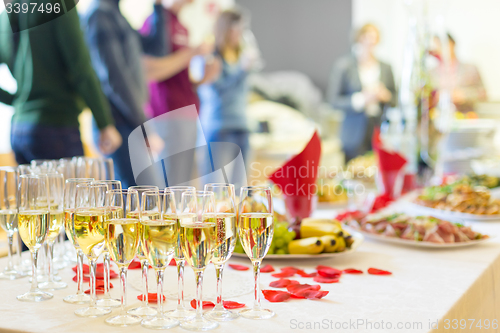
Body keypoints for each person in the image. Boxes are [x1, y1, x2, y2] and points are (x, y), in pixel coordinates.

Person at [0, 0, 122, 164]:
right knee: (71, 190)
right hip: (55, 126)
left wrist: (16, 100)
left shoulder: (7, 14)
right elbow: (81, 69)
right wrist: (105, 123)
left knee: (34, 191)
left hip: (19, 129)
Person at [81, 0, 170, 188]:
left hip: (130, 122)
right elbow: (115, 79)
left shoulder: (116, 15)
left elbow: (158, 50)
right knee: (145, 200)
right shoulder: (100, 15)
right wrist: (145, 126)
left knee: (143, 201)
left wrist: (158, 6)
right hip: (118, 124)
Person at [140, 0, 221, 187]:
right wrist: (191, 53)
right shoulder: (155, 22)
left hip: (189, 111)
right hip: (167, 112)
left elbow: (180, 78)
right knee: (172, 186)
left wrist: (203, 79)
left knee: (186, 186)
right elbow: (150, 71)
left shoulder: (183, 27)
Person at [196, 9, 254, 187]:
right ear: (225, 29)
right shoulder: (210, 58)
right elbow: (216, 93)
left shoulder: (240, 56)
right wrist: (242, 71)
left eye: (243, 28)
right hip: (219, 128)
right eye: (236, 28)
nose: (240, 33)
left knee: (241, 190)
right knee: (215, 190)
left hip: (242, 127)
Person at [328, 23, 396, 162]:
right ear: (359, 38)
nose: (370, 41)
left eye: (374, 37)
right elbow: (333, 101)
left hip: (380, 128)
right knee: (354, 174)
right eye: (366, 36)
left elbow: (396, 99)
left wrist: (385, 96)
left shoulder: (386, 67)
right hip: (353, 131)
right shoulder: (345, 66)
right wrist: (361, 99)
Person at [432, 33, 487, 113]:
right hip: (439, 118)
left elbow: (483, 93)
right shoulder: (430, 73)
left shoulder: (470, 69)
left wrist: (465, 95)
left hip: (466, 117)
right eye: (437, 46)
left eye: (443, 44)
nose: (441, 49)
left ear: (453, 44)